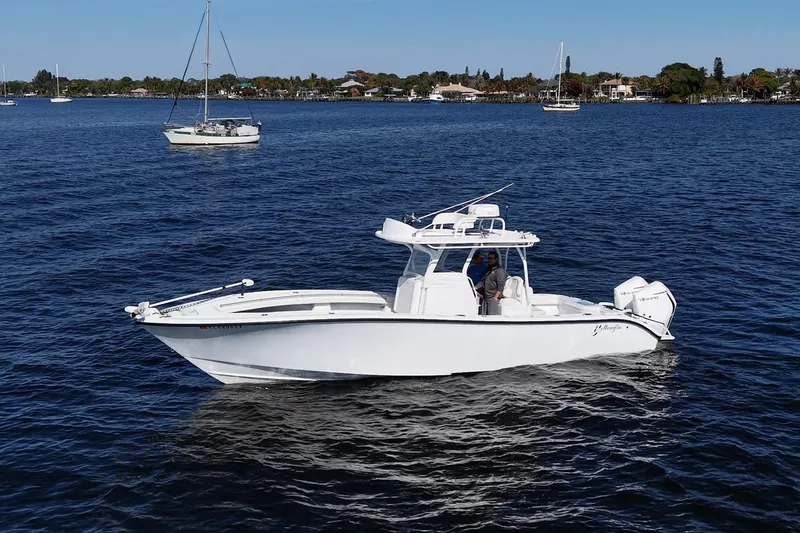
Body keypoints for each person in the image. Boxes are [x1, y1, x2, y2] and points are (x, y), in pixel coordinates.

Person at [475, 251, 508, 316]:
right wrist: (474, 288)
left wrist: (495, 298)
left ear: (496, 259)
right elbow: (483, 281)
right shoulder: (489, 269)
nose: (489, 260)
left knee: (491, 316)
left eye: (491, 258)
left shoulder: (499, 270)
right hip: (486, 296)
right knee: (482, 314)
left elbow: (501, 285)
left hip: (493, 297)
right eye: (488, 258)